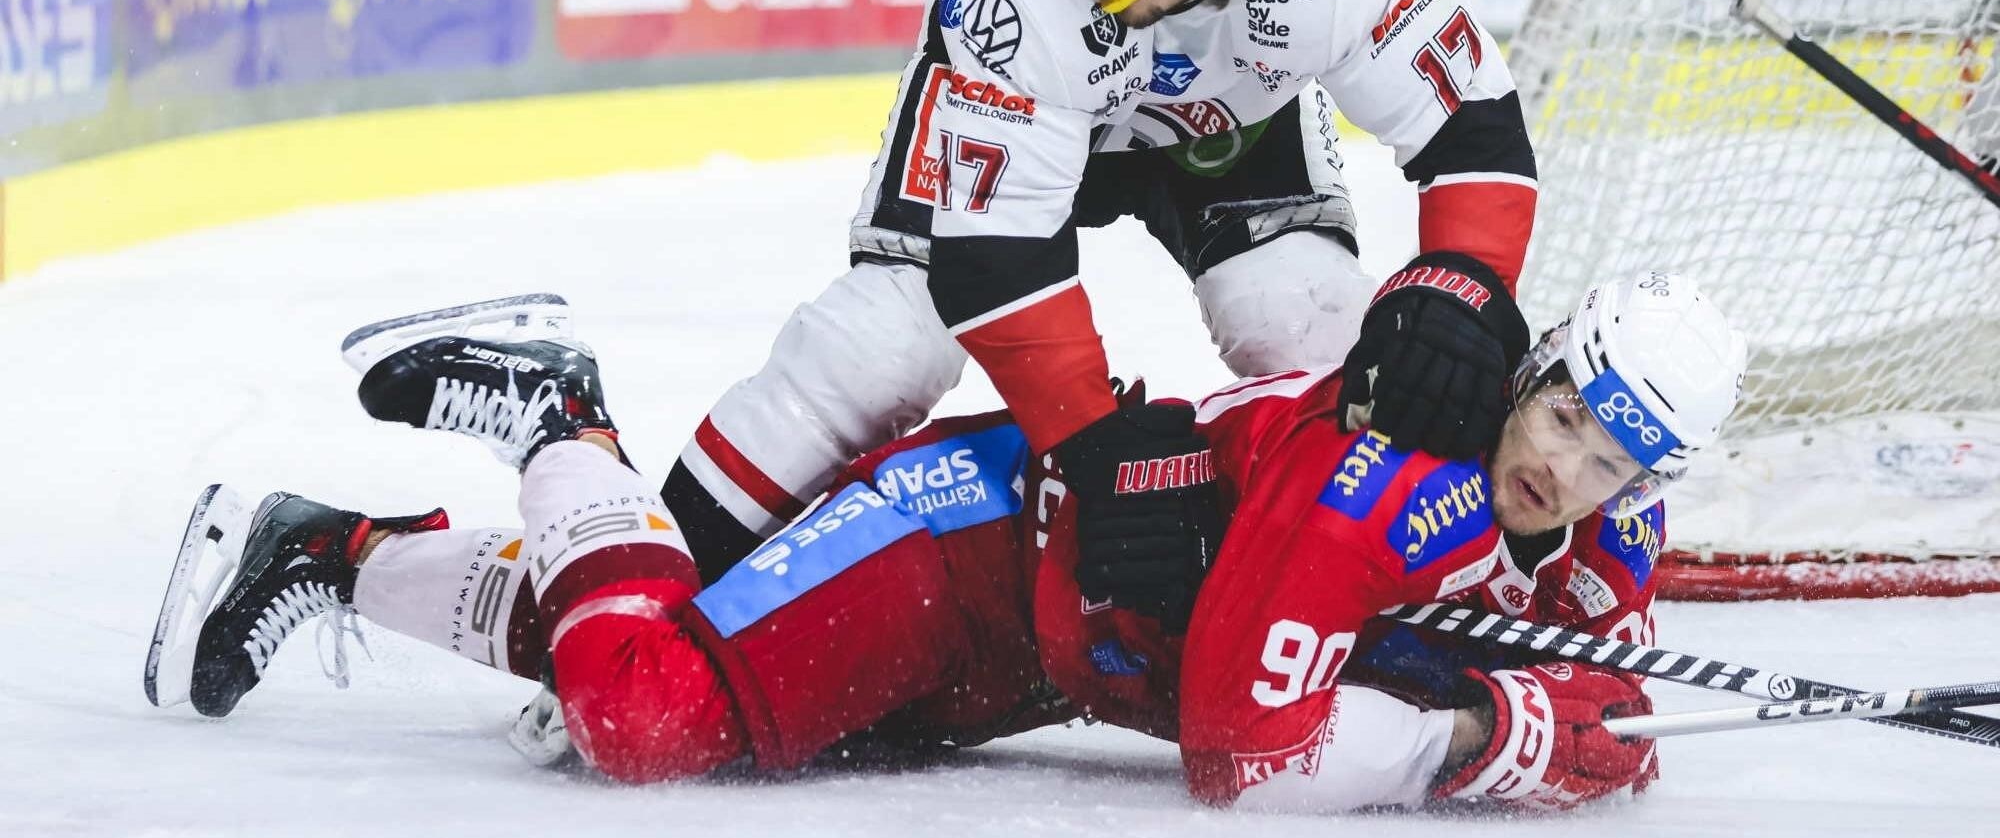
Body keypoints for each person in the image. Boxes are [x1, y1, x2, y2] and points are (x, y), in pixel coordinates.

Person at [147, 269, 1746, 813]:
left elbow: (1620, 708)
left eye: (1611, 462)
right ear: (1533, 373)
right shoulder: (1392, 478)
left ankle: (321, 548)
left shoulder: (1602, 503)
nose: (1568, 475)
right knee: (644, 720)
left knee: (619, 663)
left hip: (1032, 659)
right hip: (969, 549)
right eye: (1560, 423)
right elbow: (1244, 756)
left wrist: (1543, 717)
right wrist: (1490, 731)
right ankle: (566, 413)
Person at [620, 0, 1542, 626]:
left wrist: (1464, 284)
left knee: (1308, 325)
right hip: (1016, 109)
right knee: (880, 348)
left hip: (1229, 122)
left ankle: (1386, 588)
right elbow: (996, 258)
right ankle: (652, 580)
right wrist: (1095, 448)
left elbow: (1474, 126)